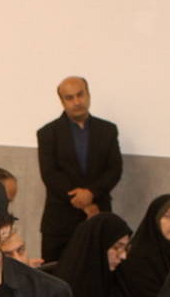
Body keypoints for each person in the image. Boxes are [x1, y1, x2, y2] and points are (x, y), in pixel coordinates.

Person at [36, 76, 123, 263]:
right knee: (56, 278)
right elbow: (50, 174)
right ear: (62, 101)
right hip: (60, 222)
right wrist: (82, 200)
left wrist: (92, 192)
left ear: (88, 95)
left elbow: (114, 169)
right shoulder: (47, 133)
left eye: (80, 95)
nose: (76, 102)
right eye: (69, 97)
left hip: (99, 214)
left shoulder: (107, 130)